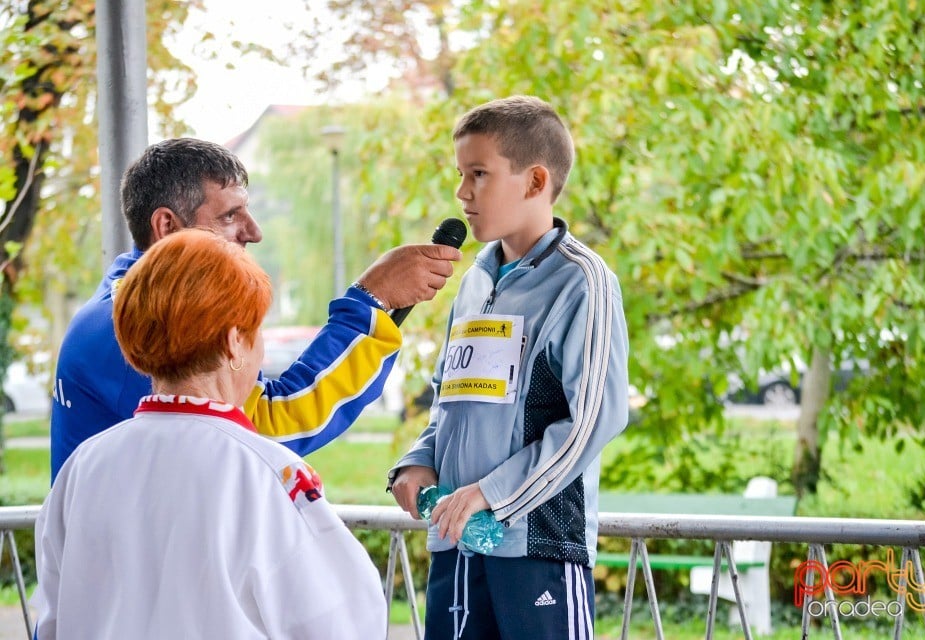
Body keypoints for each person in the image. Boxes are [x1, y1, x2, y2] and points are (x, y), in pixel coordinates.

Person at [33, 229, 386, 639]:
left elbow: (53, 620)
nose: (262, 353)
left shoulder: (83, 467)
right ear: (235, 342)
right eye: (256, 333)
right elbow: (344, 622)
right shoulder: (269, 474)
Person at [50, 137, 461, 481]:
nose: (254, 232)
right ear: (166, 226)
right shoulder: (133, 325)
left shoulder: (129, 299)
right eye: (230, 215)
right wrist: (372, 301)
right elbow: (260, 430)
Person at [387, 96, 629, 639]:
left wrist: (493, 494)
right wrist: (417, 462)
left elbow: (593, 420)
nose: (462, 193)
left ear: (535, 180)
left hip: (537, 546)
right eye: (460, 175)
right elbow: (451, 402)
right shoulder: (473, 280)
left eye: (479, 174)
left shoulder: (583, 282)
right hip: (457, 542)